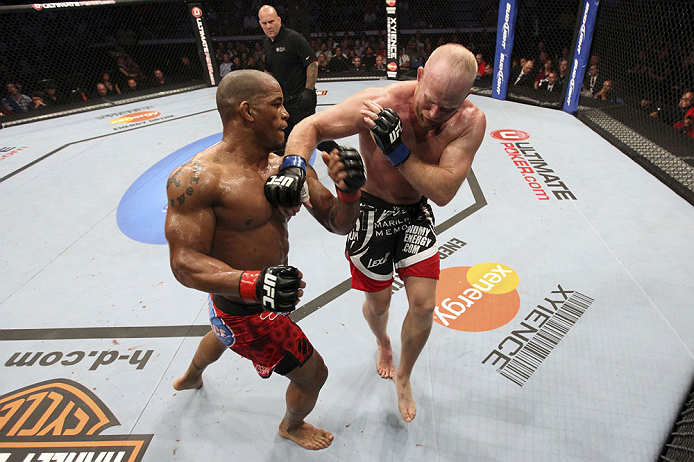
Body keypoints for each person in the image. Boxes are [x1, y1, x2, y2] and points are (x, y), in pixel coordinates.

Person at [281, 43, 486, 423]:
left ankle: (404, 376)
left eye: (449, 106)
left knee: (424, 305)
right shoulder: (379, 102)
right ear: (420, 76)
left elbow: (442, 192)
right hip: (370, 212)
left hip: (415, 213)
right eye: (430, 100)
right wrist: (294, 166)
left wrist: (399, 153)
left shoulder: (470, 122)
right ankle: (383, 341)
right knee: (379, 306)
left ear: (467, 96)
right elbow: (309, 126)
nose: (434, 114)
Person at [168, 70, 365, 450]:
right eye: (276, 104)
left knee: (219, 332)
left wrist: (349, 191)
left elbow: (336, 222)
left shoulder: (284, 167)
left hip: (241, 302)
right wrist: (254, 283)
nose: (286, 114)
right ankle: (291, 427)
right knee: (313, 376)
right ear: (246, 112)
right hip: (250, 314)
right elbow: (184, 262)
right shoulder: (198, 179)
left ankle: (192, 376)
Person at [258, 4, 318, 142]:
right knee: (285, 137)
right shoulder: (267, 44)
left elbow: (312, 63)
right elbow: (269, 71)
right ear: (260, 24)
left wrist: (308, 90)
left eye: (271, 22)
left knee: (310, 135)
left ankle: (339, 154)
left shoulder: (294, 38)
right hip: (283, 101)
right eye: (264, 23)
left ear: (279, 20)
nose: (268, 26)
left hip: (301, 99)